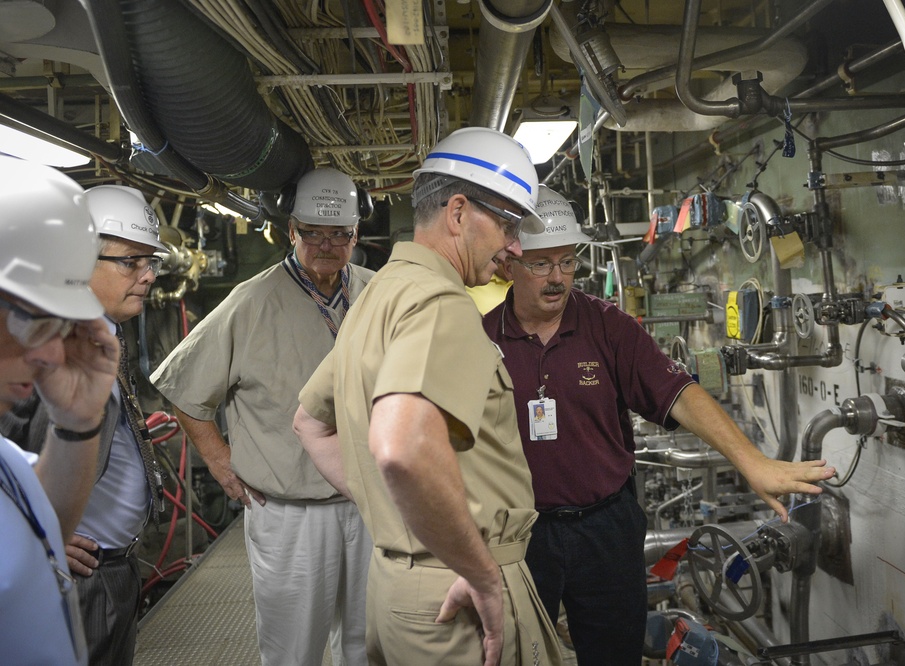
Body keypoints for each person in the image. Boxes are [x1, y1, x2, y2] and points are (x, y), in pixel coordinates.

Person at [481, 185, 837, 665]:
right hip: (520, 533)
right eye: (541, 264)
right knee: (516, 655)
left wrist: (751, 461)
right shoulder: (482, 339)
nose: (557, 278)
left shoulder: (607, 327)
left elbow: (680, 394)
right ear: (508, 264)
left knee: (614, 654)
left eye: (568, 262)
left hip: (605, 527)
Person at [293, 127, 563, 666]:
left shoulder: (379, 296)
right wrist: (480, 572)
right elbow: (402, 447)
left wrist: (397, 511)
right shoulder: (441, 302)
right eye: (508, 224)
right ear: (458, 213)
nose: (514, 246)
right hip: (455, 591)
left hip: (401, 583)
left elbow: (309, 423)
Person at [150, 168, 375, 666]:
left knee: (371, 645)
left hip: (370, 504)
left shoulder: (379, 294)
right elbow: (186, 390)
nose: (326, 244)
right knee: (293, 650)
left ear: (356, 234)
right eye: (313, 232)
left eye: (339, 234)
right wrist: (219, 460)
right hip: (292, 514)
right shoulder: (250, 302)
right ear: (291, 229)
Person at [0, 155, 120, 665]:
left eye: (57, 326)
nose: (49, 355)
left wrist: (75, 425)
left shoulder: (5, 458)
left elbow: (43, 524)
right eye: (30, 321)